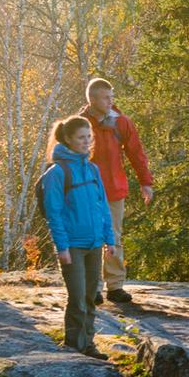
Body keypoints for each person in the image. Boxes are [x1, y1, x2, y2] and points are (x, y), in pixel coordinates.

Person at [38, 115, 119, 358]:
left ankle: (89, 345)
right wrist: (61, 247)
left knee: (91, 297)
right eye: (81, 138)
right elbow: (54, 213)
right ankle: (74, 347)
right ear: (68, 140)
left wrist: (109, 239)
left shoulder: (92, 169)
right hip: (72, 246)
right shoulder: (57, 173)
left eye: (89, 137)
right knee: (77, 299)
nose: (87, 142)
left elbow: (102, 206)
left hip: (95, 244)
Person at [77, 77, 154, 305]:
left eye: (112, 97)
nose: (110, 101)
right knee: (89, 238)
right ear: (92, 99)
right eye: (105, 97)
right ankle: (92, 288)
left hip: (113, 189)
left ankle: (115, 286)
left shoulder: (121, 123)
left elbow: (136, 153)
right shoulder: (79, 123)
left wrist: (145, 182)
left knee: (114, 237)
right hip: (86, 191)